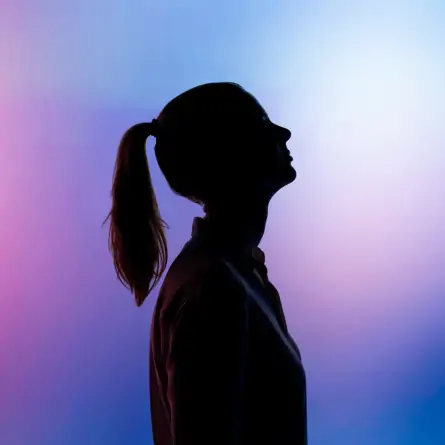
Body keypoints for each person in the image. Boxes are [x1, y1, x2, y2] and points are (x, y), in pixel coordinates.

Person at [105, 82, 307, 445]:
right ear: (229, 153)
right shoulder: (213, 289)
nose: (284, 132)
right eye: (263, 125)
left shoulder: (234, 276)